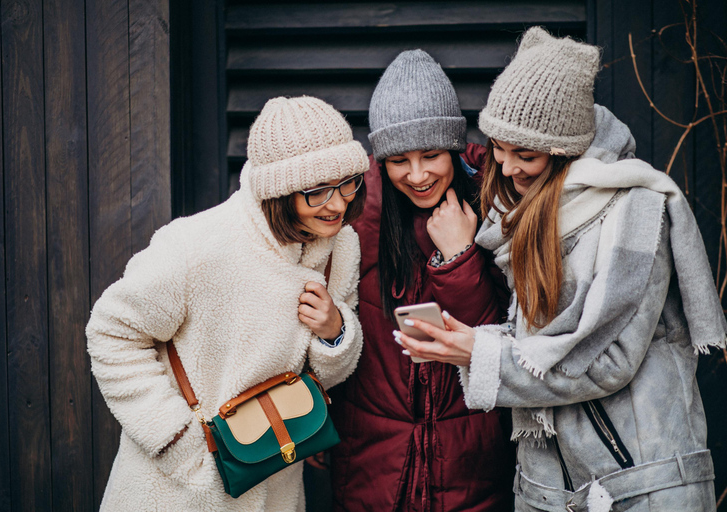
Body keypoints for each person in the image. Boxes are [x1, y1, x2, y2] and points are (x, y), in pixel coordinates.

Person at [396, 27, 725, 512]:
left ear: (564, 149)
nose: (506, 169)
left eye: (524, 155)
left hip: (641, 484)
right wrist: (465, 342)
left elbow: (608, 358)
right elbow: (537, 336)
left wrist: (480, 355)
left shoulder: (635, 212)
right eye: (500, 149)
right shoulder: (523, 210)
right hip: (550, 487)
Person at [86, 96, 369, 511]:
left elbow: (328, 377)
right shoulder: (197, 246)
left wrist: (335, 332)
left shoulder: (340, 246)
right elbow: (111, 332)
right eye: (317, 191)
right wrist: (179, 443)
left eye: (347, 183)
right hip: (178, 491)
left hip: (274, 480)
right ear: (278, 190)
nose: (339, 203)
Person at [329, 49, 515, 512]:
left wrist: (459, 257)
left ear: (453, 146)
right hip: (372, 461)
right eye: (399, 161)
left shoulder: (496, 200)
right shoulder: (354, 213)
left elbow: (490, 340)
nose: (417, 175)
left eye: (431, 155)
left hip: (470, 462)